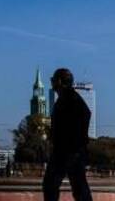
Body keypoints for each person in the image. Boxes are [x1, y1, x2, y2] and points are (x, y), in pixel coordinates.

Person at [43, 68, 93, 201]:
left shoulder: (69, 98)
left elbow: (85, 115)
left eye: (53, 79)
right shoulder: (68, 98)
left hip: (67, 151)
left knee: (51, 184)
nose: (52, 82)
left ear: (59, 81)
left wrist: (72, 140)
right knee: (79, 188)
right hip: (71, 150)